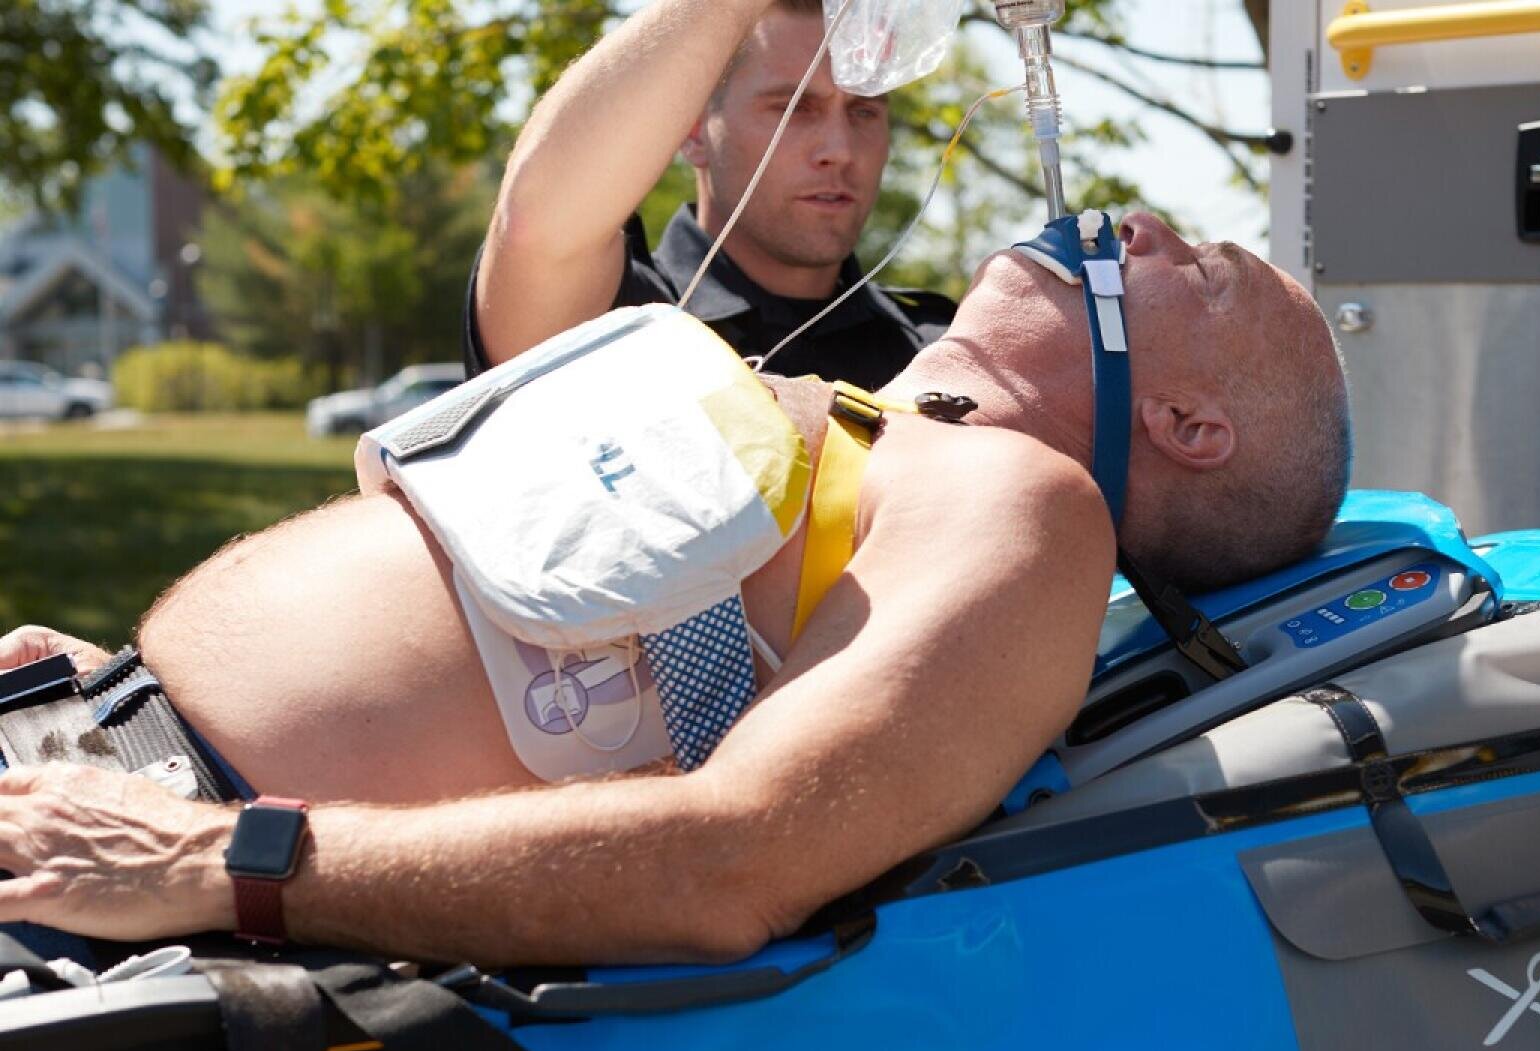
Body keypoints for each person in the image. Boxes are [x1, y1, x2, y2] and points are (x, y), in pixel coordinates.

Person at [0, 0, 1350, 967]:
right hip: (79, 766)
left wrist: (198, 859)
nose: (1149, 224)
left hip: (136, 883)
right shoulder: (877, 423)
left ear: (1189, 423)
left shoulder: (1026, 515)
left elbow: (731, 859)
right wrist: (116, 700)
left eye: (1207, 269)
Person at [467, 0, 956, 388]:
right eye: (793, 109)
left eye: (865, 111)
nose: (840, 150)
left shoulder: (941, 352)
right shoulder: (613, 321)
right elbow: (536, 226)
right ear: (695, 131)